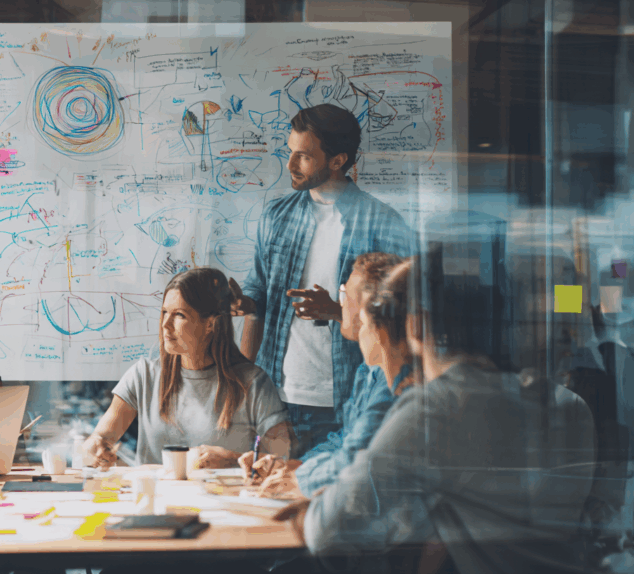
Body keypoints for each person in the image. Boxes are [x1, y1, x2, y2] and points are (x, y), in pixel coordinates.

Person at [274, 247, 597, 574]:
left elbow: (329, 531)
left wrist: (311, 512)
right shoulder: (569, 406)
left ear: (414, 326)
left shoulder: (436, 409)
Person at [230, 104, 414, 456]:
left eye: (303, 156)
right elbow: (259, 290)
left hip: (343, 396)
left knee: (326, 494)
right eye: (290, 153)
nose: (290, 165)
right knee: (270, 492)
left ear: (337, 160)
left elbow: (403, 313)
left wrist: (336, 310)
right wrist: (243, 302)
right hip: (275, 395)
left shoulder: (381, 222)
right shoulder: (277, 215)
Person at [239, 253, 412, 499]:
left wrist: (298, 478)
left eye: (344, 296)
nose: (339, 305)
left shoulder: (393, 379)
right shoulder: (368, 370)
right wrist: (287, 466)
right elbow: (341, 441)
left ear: (371, 311)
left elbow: (354, 456)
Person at [84, 268, 291, 470]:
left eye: (179, 315)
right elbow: (101, 438)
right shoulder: (143, 375)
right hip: (155, 499)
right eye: (164, 312)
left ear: (211, 324)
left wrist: (232, 460)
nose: (165, 324)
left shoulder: (253, 382)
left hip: (223, 501)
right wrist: (95, 447)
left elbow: (282, 461)